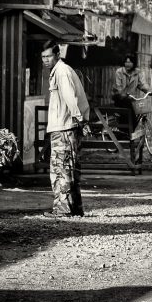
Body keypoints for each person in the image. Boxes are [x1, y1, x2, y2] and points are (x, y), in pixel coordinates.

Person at [42, 41, 90, 218]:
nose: (45, 60)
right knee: (71, 168)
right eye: (43, 57)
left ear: (57, 55)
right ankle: (75, 208)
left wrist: (78, 118)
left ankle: (63, 209)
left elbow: (71, 98)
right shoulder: (61, 71)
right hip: (67, 126)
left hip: (65, 127)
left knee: (60, 168)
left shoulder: (62, 72)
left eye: (48, 56)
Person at [112, 54, 150, 129]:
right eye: (126, 62)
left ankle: (127, 133)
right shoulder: (119, 72)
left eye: (130, 62)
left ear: (134, 63)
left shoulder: (137, 72)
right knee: (131, 118)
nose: (127, 64)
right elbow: (118, 86)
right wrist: (122, 94)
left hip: (131, 99)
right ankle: (125, 133)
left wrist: (149, 91)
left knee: (133, 116)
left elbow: (142, 84)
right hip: (119, 98)